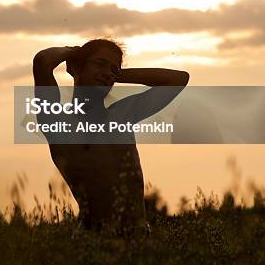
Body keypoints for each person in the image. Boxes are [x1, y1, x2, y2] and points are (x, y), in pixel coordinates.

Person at [32, 39, 189, 233]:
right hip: (93, 240)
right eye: (99, 64)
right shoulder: (57, 123)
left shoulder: (122, 114)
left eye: (113, 69)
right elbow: (42, 61)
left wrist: (116, 75)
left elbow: (179, 79)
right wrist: (73, 53)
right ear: (75, 67)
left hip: (137, 239)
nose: (107, 73)